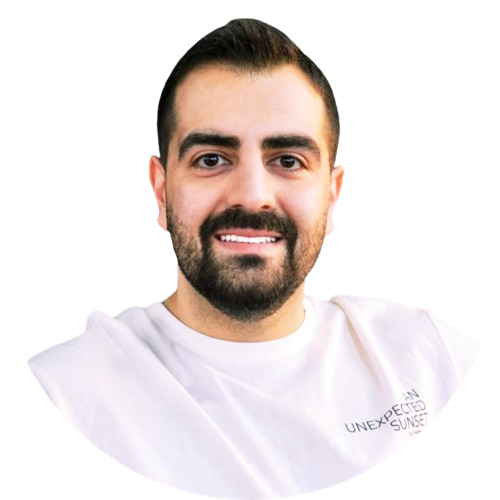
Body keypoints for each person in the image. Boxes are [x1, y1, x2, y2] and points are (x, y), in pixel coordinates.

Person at [27, 18, 480, 498]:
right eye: (211, 159)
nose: (251, 195)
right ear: (161, 191)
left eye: (288, 160)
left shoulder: (427, 355)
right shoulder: (68, 391)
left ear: (332, 196)